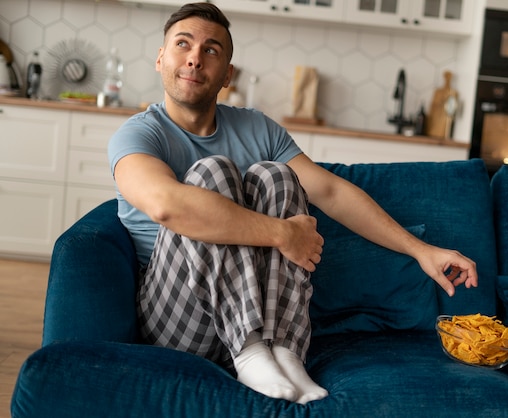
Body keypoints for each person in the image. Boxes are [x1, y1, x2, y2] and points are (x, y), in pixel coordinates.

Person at [108, 2, 478, 405]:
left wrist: (421, 251)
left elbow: (331, 193)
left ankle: (285, 352)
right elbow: (166, 205)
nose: (195, 58)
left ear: (228, 74)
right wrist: (283, 233)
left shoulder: (256, 127)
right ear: (162, 57)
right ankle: (249, 353)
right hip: (180, 321)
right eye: (183, 44)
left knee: (276, 175)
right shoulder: (139, 135)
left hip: (267, 326)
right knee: (211, 174)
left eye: (212, 50)